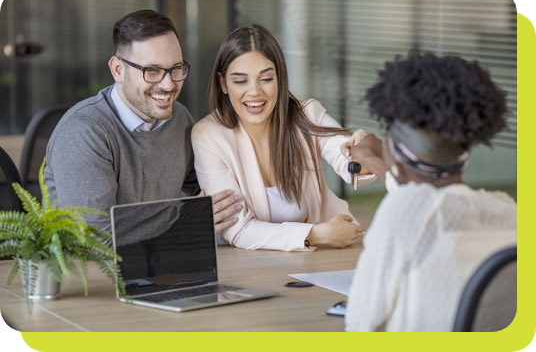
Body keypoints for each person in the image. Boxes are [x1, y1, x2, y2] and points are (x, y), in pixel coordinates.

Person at [344, 53, 517, 332]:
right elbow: (430, 200)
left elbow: (361, 322)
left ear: (393, 149)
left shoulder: (403, 216)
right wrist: (381, 162)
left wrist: (379, 160)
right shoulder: (508, 211)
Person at [44, 10, 241, 233]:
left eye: (176, 69)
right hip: (87, 267)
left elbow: (196, 195)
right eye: (152, 71)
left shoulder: (179, 118)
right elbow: (95, 238)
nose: (168, 85)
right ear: (118, 70)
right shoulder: (83, 133)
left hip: (163, 262)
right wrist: (185, 219)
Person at [191, 24, 375, 252]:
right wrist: (314, 235)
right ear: (223, 84)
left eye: (266, 79)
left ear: (280, 78)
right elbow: (238, 229)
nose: (254, 92)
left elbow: (344, 156)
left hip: (323, 258)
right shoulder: (208, 135)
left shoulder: (307, 115)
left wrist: (359, 155)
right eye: (240, 81)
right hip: (246, 266)